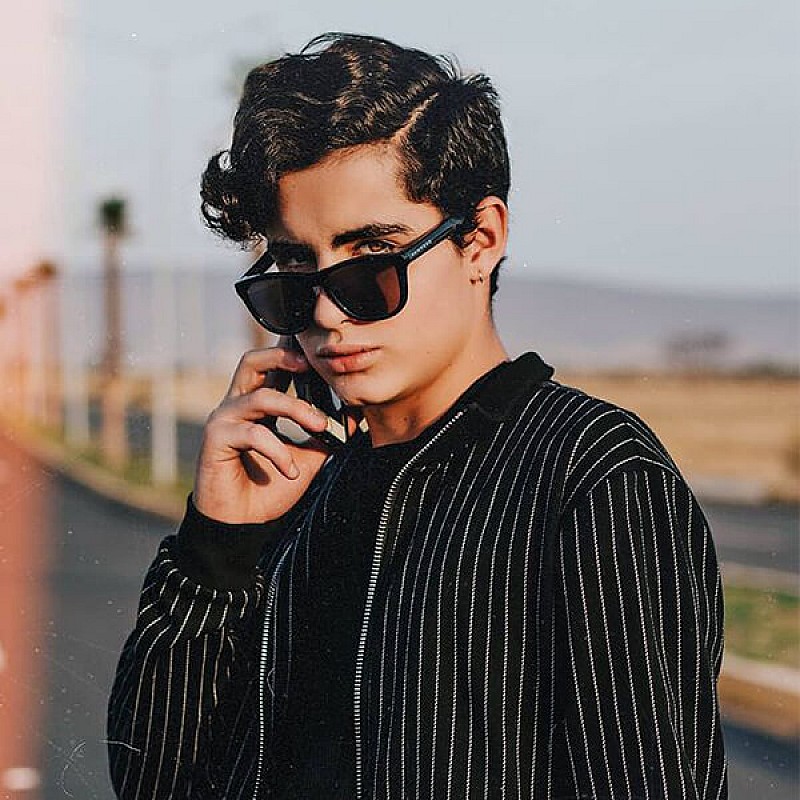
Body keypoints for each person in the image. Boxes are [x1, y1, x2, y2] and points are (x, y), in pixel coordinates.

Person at [107, 32, 727, 799]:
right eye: (296, 269)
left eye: (372, 259)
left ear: (481, 239)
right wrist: (217, 546)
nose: (328, 312)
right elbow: (151, 781)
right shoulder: (294, 485)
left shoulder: (589, 475)